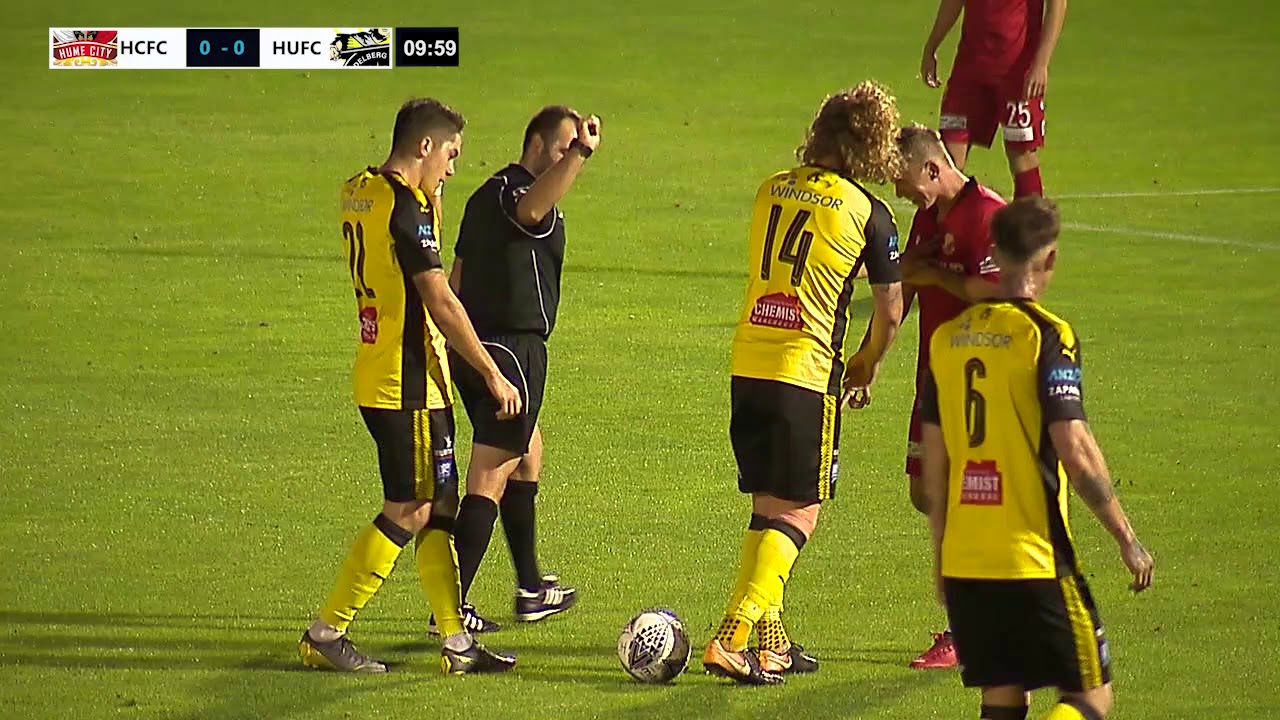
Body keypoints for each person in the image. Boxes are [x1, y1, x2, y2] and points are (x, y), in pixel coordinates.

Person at [299, 97, 522, 675]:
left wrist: (432, 195)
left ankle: (456, 643)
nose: (452, 168)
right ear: (425, 146)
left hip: (382, 374)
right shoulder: (405, 207)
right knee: (410, 507)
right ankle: (328, 631)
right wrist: (491, 373)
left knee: (439, 507)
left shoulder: (363, 190)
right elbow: (441, 298)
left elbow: (414, 230)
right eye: (450, 154)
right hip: (410, 386)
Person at [702, 81, 905, 685]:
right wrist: (866, 362)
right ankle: (732, 636)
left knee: (770, 507)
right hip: (805, 372)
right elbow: (891, 311)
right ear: (871, 142)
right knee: (802, 513)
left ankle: (772, 643)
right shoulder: (869, 213)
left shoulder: (771, 188)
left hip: (749, 363)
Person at [919, 197, 1154, 719]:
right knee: (1090, 697)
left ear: (994, 255)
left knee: (1002, 700)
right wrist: (1126, 536)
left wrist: (941, 557)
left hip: (966, 561)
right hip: (1032, 558)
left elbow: (936, 470)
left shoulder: (946, 341)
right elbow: (1073, 444)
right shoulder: (1046, 335)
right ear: (1049, 261)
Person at [433, 105, 602, 634]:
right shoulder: (517, 194)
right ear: (537, 145)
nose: (566, 160)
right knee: (490, 475)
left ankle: (530, 586)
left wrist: (456, 352)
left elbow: (458, 275)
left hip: (477, 344)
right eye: (560, 147)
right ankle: (449, 611)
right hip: (510, 350)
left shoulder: (484, 194)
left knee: (528, 453)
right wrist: (581, 154)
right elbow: (532, 209)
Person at [892, 124, 1005, 669]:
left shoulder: (987, 215)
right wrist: (868, 361)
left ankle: (967, 630)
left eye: (904, 181)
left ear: (932, 169)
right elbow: (905, 289)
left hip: (975, 388)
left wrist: (936, 272)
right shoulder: (924, 220)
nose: (899, 192)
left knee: (957, 500)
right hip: (931, 380)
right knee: (924, 493)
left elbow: (996, 292)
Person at [918, 0, 1068, 198]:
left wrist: (1041, 63)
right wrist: (932, 45)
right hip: (969, 69)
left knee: (1021, 157)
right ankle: (941, 228)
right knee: (947, 161)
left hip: (1016, 72)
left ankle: (1032, 228)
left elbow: (1058, 4)